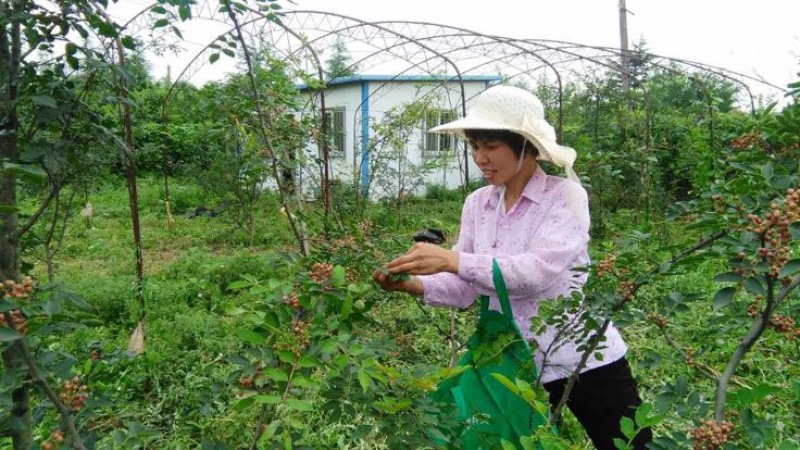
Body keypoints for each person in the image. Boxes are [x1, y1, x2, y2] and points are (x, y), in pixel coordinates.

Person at [372, 85, 652, 449]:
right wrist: (415, 285)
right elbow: (469, 286)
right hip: (512, 362)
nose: (480, 158)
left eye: (491, 147)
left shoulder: (564, 196)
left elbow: (535, 272)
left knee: (631, 445)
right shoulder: (478, 204)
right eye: (475, 146)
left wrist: (452, 259)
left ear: (525, 145)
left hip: (581, 356)